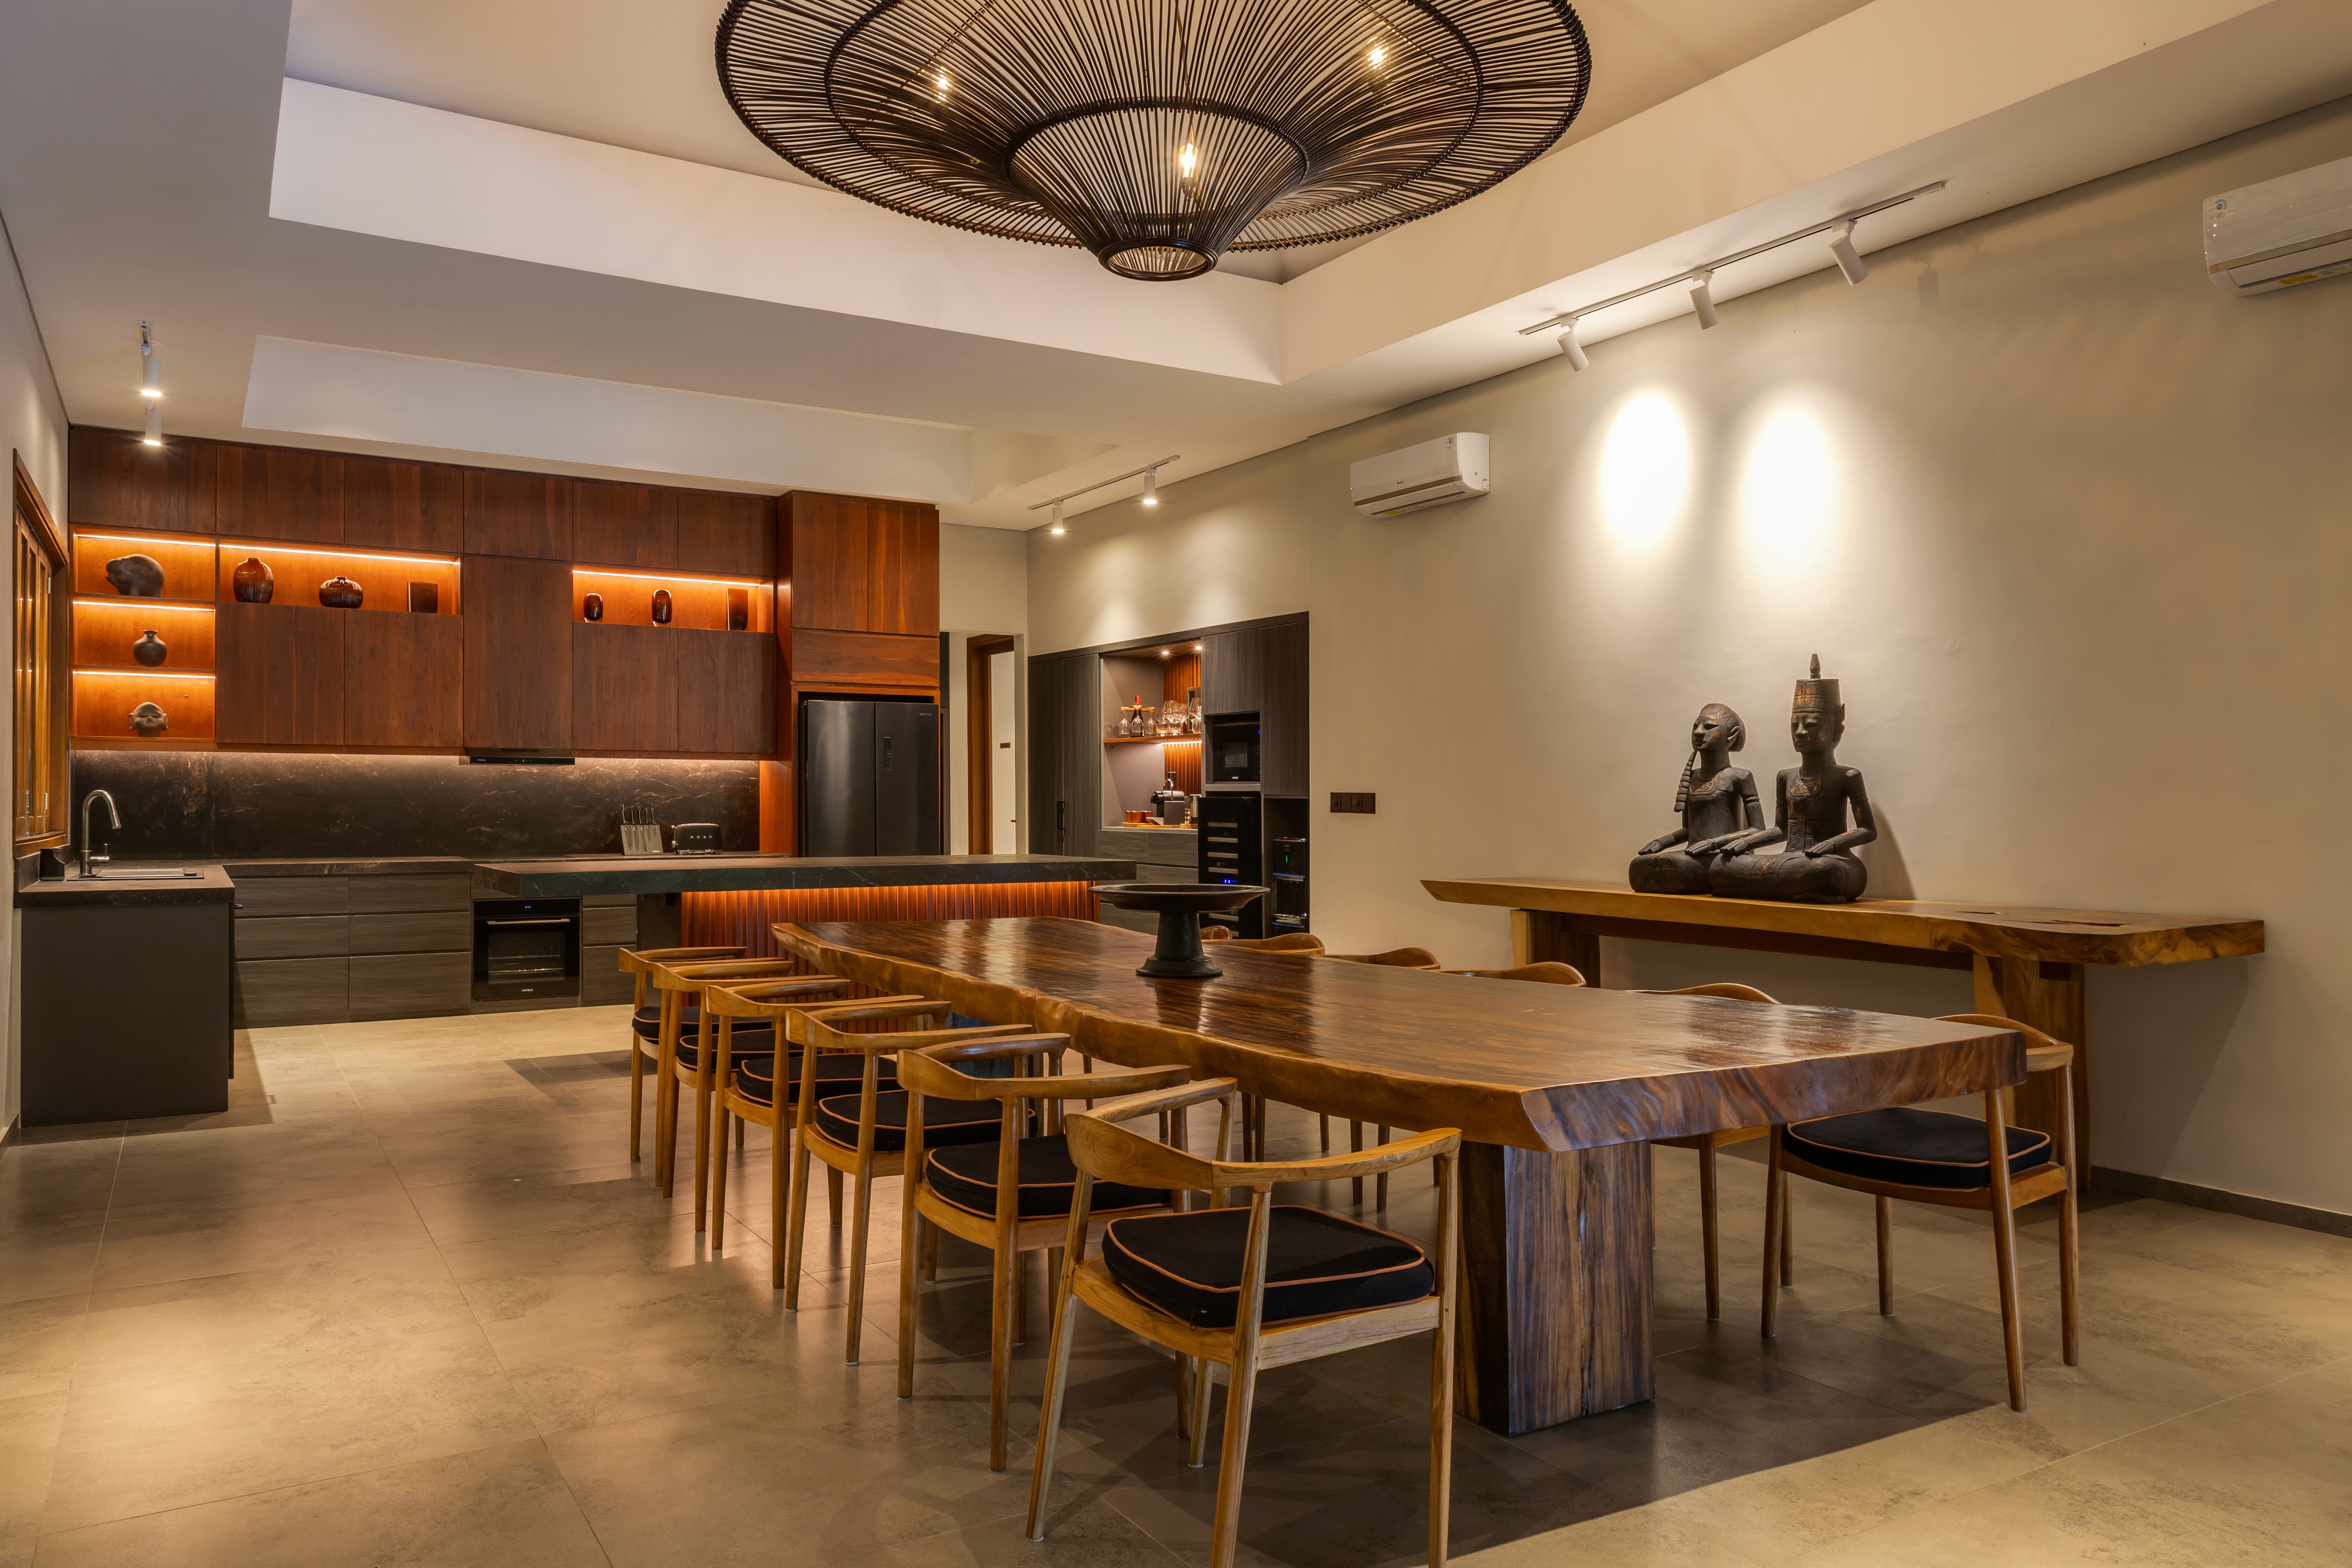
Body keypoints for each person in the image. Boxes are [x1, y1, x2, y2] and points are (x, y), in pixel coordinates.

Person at [1709, 658, 1876, 904]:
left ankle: (1781, 888)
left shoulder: (1847, 776)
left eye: (1812, 725)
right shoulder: (1785, 777)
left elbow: (1867, 829)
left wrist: (1831, 845)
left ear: (1837, 731)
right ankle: (1790, 889)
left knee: (1826, 872)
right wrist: (1744, 842)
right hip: (1790, 860)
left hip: (1830, 860)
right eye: (1795, 725)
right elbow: (1781, 830)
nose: (1800, 732)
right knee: (1719, 865)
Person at [1630, 703, 1763, 894]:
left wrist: (1712, 843)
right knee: (1641, 864)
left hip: (1723, 856)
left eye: (1709, 727)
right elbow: (1688, 830)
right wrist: (1662, 842)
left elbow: (1757, 830)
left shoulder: (1739, 777)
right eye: (1696, 727)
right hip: (1694, 853)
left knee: (1679, 866)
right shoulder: (1692, 777)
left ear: (1731, 735)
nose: (1698, 732)